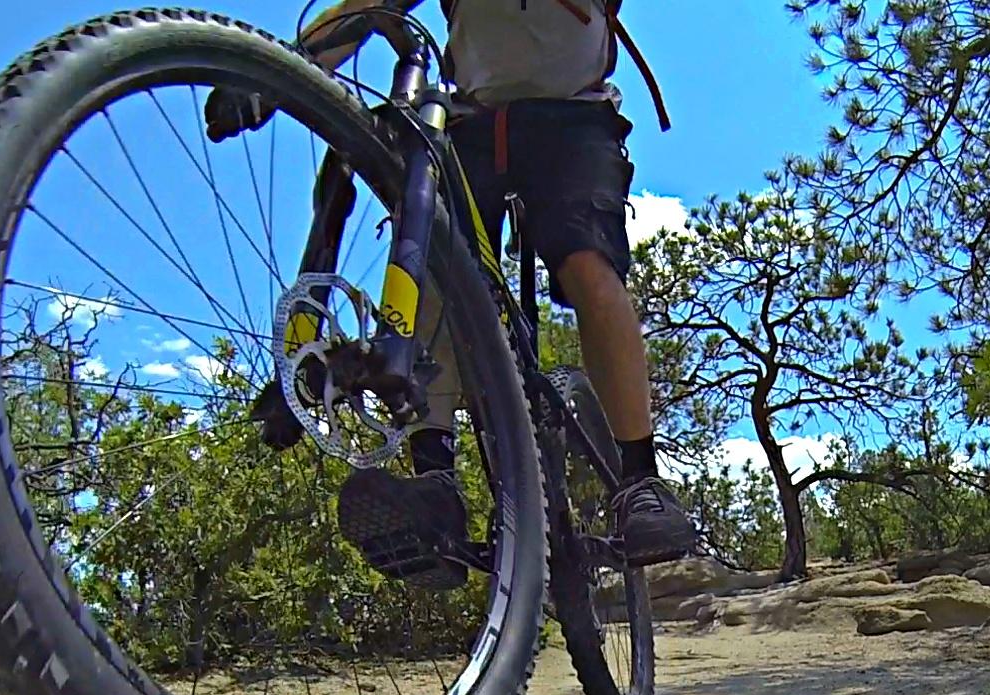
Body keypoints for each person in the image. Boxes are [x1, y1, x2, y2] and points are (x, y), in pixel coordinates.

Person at [210, 0, 694, 588]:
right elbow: (371, 6)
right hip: (473, 122)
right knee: (438, 271)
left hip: (572, 118)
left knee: (587, 266)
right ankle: (435, 482)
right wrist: (280, 74)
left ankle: (640, 481)